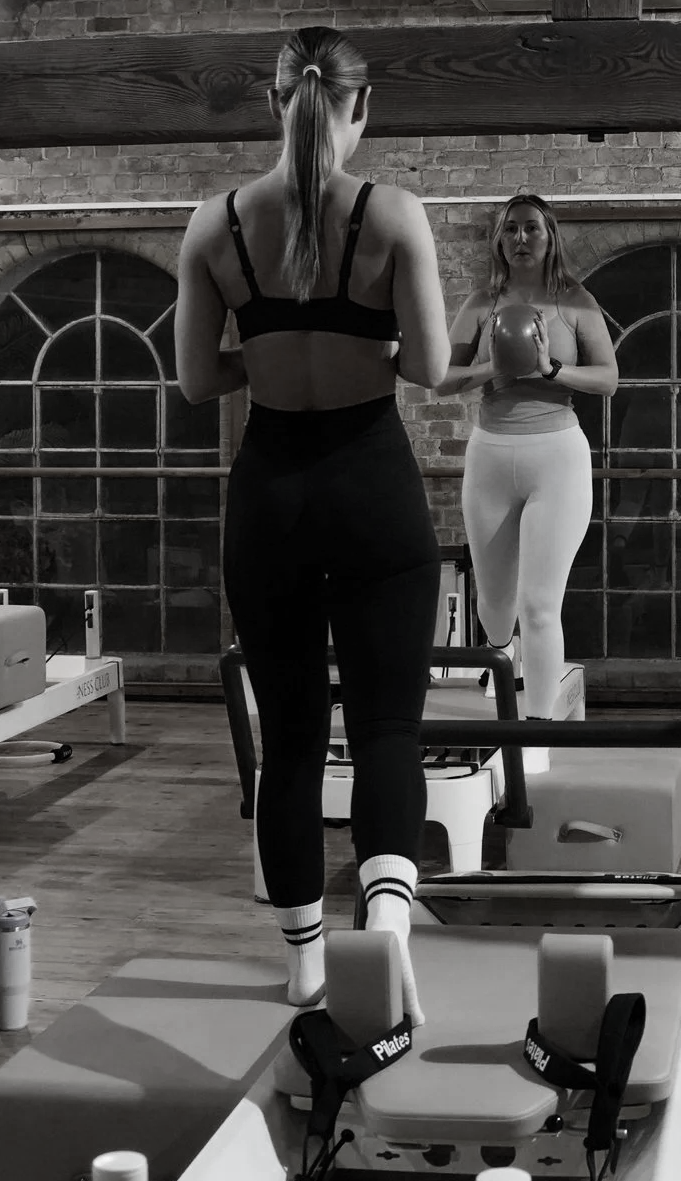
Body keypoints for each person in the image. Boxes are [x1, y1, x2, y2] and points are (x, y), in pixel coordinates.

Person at [175, 26, 451, 1023]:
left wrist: (276, 347)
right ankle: (385, 939)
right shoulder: (392, 214)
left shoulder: (215, 225)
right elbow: (425, 364)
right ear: (362, 107)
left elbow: (199, 378)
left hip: (270, 493)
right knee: (386, 731)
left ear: (272, 100)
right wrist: (350, 339)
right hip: (369, 483)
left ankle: (303, 966)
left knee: (289, 743)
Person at [438, 196, 618, 756]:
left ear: (549, 236)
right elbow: (440, 379)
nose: (521, 238)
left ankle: (536, 737)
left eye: (531, 229)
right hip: (491, 455)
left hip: (556, 455)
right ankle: (504, 668)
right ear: (499, 240)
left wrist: (549, 369)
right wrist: (499, 366)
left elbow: (609, 378)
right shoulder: (480, 302)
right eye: (511, 229)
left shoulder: (575, 302)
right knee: (494, 604)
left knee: (540, 605)